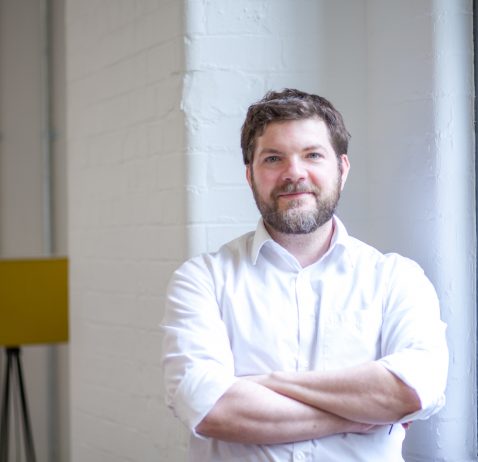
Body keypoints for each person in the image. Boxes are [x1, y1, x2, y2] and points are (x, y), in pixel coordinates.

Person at [161, 88, 448, 461]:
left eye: (312, 155)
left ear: (342, 169)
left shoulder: (397, 279)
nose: (294, 173)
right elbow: (210, 407)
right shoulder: (202, 280)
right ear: (250, 175)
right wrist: (358, 414)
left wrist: (266, 384)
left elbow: (412, 389)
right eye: (273, 158)